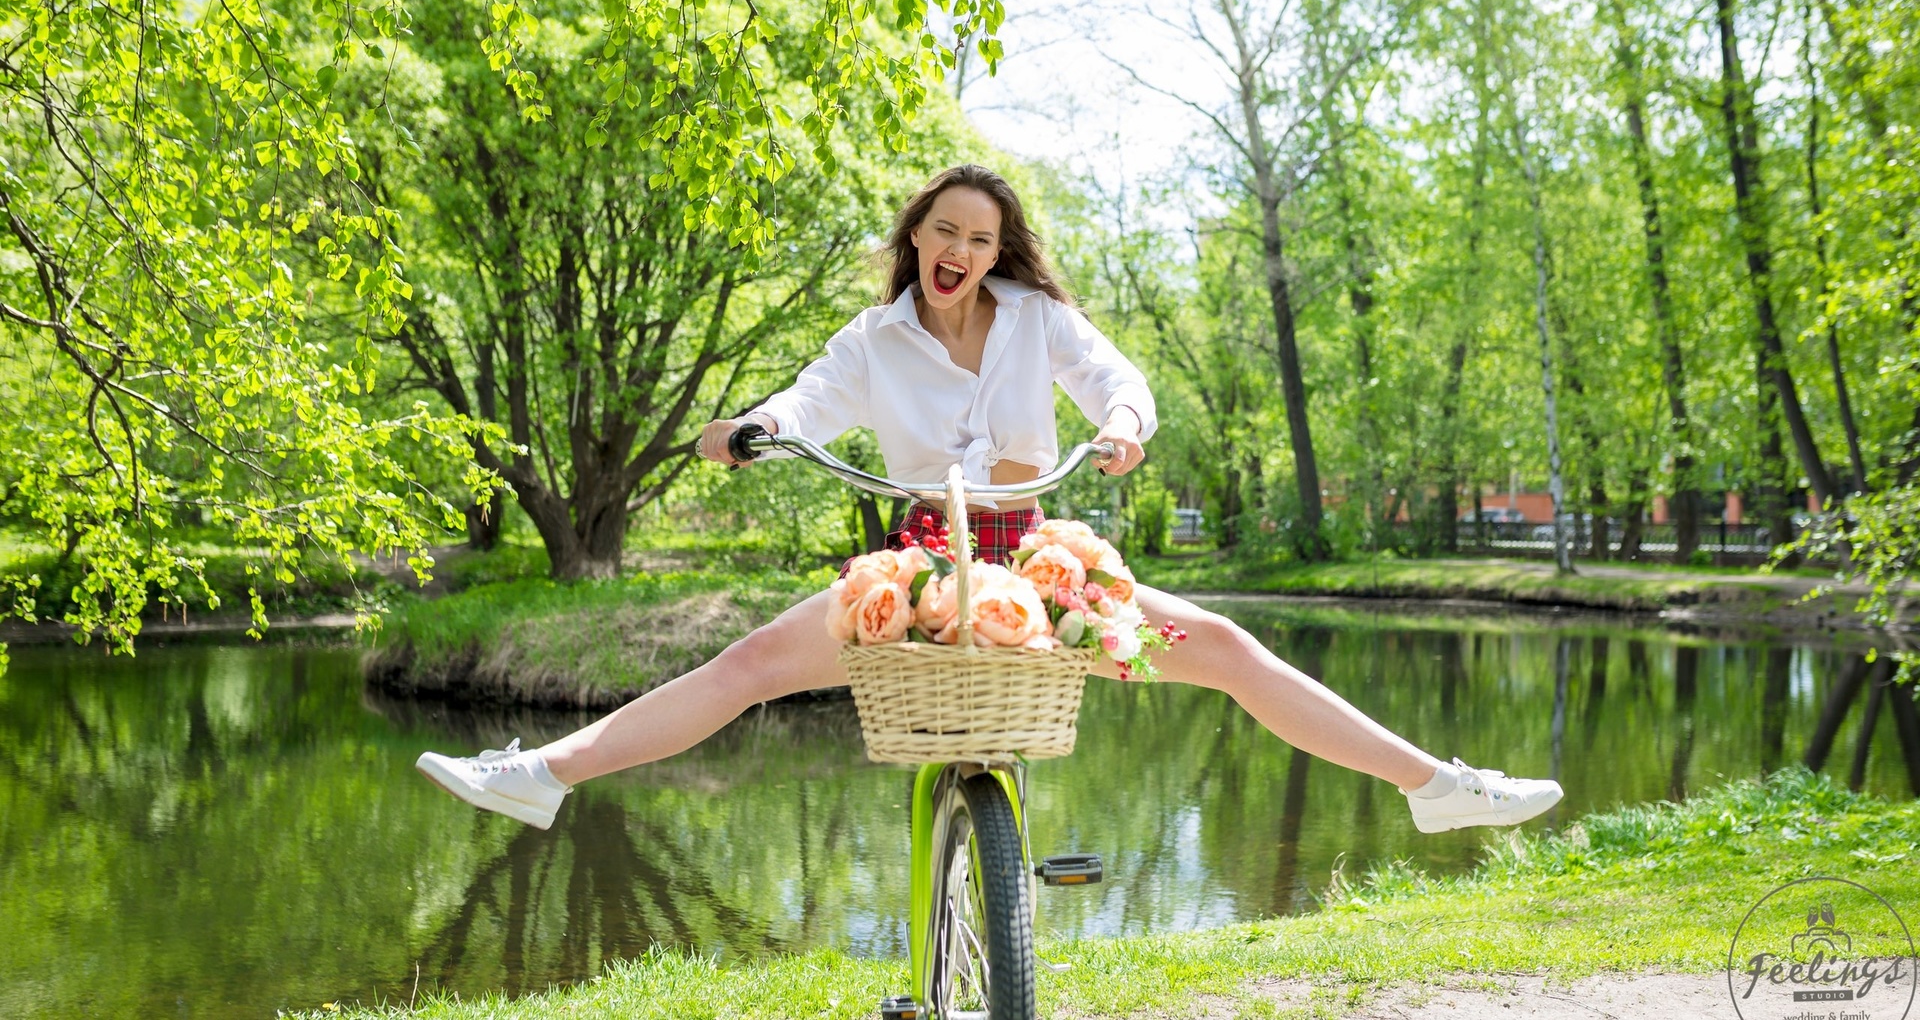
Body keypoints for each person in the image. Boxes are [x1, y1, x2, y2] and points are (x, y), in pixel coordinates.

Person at [415, 164, 1563, 834]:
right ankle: (539, 776)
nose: (960, 249)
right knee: (745, 671)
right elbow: (807, 402)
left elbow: (1118, 376)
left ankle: (1436, 786)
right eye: (943, 231)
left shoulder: (1036, 320)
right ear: (915, 237)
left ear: (1001, 250)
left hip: (1043, 560)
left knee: (1223, 647)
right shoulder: (874, 339)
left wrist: (1122, 423)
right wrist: (757, 431)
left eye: (982, 236)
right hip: (919, 569)